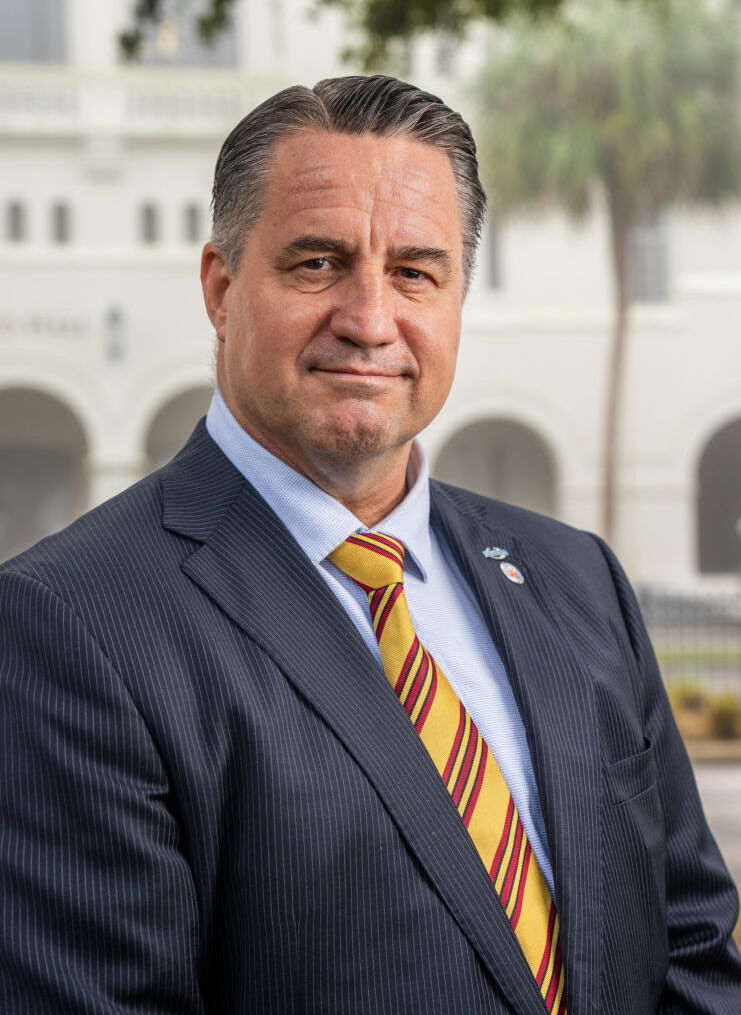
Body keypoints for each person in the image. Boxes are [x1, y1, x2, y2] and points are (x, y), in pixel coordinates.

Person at [0, 75, 739, 1015]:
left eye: (415, 273)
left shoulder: (574, 576)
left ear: (457, 297)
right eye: (317, 263)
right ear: (222, 290)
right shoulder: (65, 627)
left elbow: (693, 948)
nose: (371, 319)